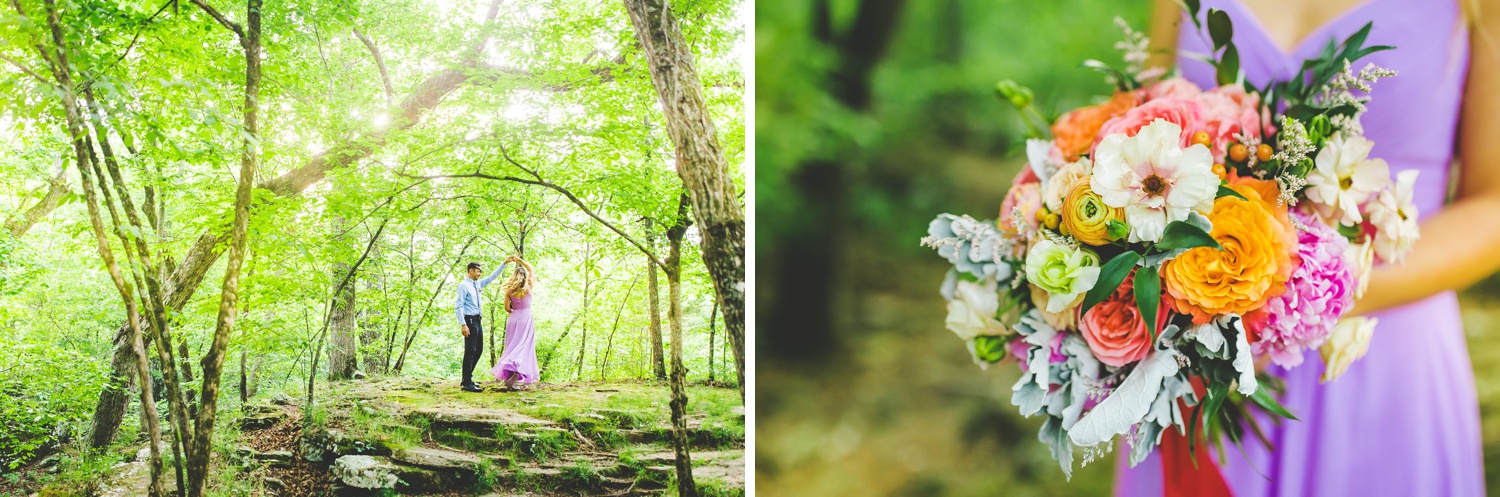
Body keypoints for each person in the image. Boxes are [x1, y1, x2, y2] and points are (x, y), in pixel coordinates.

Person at [1115, 0, 1492, 495]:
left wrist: (1295, 299)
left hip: (1381, 361)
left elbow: (1494, 204)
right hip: (1196, 358)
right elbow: (1139, 130)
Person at [454, 258, 510, 392]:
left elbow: (492, 277)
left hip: (478, 320)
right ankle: (466, 383)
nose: (480, 273)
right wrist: (463, 324)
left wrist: (504, 263)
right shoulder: (463, 285)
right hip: (470, 320)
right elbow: (458, 306)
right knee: (470, 351)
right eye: (478, 271)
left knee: (478, 350)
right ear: (471, 271)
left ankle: (467, 378)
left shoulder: (477, 283)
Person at [491, 256, 540, 391]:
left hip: (513, 318)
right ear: (524, 276)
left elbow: (507, 308)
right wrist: (519, 259)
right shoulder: (528, 285)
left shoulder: (509, 290)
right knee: (524, 345)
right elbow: (531, 269)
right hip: (526, 317)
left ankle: (510, 376)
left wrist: (514, 310)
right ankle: (517, 369)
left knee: (512, 345)